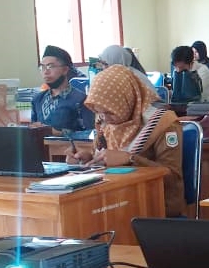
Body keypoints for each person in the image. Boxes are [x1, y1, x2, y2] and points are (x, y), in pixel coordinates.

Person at [74, 65, 185, 217]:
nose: (104, 117)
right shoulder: (105, 123)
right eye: (99, 111)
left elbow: (172, 177)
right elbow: (103, 155)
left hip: (154, 205)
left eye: (109, 112)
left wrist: (131, 159)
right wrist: (89, 158)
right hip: (115, 199)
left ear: (126, 100)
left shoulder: (163, 124)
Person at [31, 45, 95, 133]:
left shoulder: (81, 100)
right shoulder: (38, 99)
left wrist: (58, 133)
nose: (45, 71)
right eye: (42, 67)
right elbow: (33, 129)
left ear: (65, 70)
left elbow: (91, 134)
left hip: (68, 143)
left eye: (50, 66)